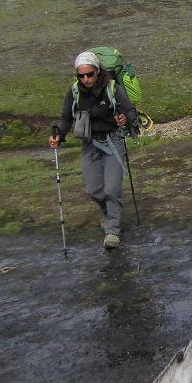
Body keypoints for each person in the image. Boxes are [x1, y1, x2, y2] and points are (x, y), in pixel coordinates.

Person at [49, 51, 137, 249]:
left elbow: (131, 112)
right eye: (81, 76)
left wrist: (124, 118)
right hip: (89, 143)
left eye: (89, 74)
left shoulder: (112, 88)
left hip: (113, 141)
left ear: (98, 71)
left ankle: (112, 230)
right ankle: (108, 213)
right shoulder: (74, 92)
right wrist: (58, 135)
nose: (86, 79)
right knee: (94, 190)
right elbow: (65, 118)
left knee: (112, 188)